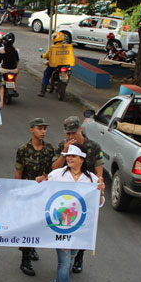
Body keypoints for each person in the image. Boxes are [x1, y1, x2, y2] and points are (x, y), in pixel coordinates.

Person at [38, 144, 105, 282]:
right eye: (68, 156)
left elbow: (98, 204)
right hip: (61, 227)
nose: (69, 158)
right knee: (64, 261)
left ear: (81, 159)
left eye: (73, 156)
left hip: (80, 228)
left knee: (72, 256)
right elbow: (40, 189)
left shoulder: (91, 179)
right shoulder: (57, 175)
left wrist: (101, 193)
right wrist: (40, 181)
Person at [50, 116, 105, 273]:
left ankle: (79, 256)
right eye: (67, 134)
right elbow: (54, 169)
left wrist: (98, 186)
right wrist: (64, 152)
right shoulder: (63, 145)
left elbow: (98, 169)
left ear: (80, 129)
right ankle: (66, 262)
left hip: (86, 192)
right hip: (66, 194)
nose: (70, 137)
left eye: (73, 133)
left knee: (84, 226)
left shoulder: (93, 146)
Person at [14, 117, 55, 276]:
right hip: (27, 193)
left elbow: (52, 170)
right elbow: (18, 172)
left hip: (43, 193)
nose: (43, 132)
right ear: (31, 130)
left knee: (38, 224)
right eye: (39, 128)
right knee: (28, 226)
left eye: (45, 129)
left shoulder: (49, 149)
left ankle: (32, 248)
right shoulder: (23, 149)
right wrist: (17, 193)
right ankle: (25, 260)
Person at [39, 31, 65, 96]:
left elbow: (47, 54)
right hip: (63, 65)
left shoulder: (53, 47)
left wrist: (42, 56)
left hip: (54, 65)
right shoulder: (65, 47)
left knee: (46, 74)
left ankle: (42, 92)